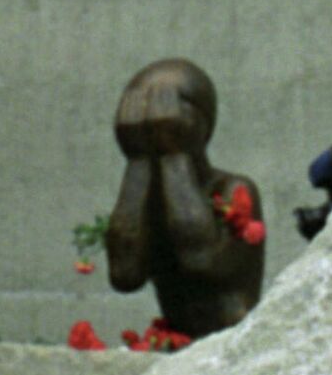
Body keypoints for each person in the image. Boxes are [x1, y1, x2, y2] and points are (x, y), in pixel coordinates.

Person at [106, 59, 265, 339]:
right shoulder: (147, 198)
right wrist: (138, 161)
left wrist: (174, 154)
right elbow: (125, 275)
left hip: (230, 339)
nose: (150, 122)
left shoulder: (235, 189)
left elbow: (200, 259)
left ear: (201, 124)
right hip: (177, 339)